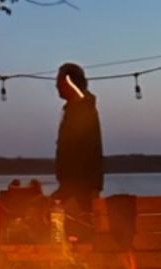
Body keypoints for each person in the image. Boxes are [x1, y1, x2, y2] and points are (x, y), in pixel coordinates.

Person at [52, 62, 104, 236]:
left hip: (80, 189)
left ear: (69, 82)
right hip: (72, 186)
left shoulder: (82, 109)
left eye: (58, 82)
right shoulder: (76, 108)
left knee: (78, 234)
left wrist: (87, 189)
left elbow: (88, 151)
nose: (56, 86)